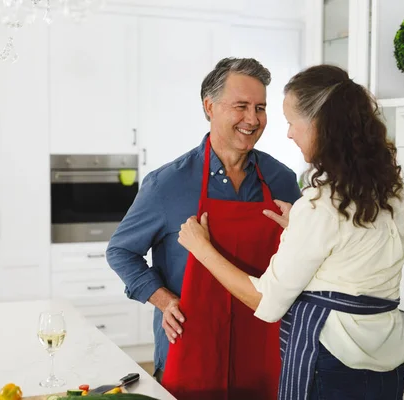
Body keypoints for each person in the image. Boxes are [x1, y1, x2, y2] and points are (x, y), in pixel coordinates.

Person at [178, 64, 404, 400]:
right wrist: (300, 227)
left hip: (333, 364)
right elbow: (354, 253)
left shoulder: (320, 203)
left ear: (320, 126)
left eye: (292, 122)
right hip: (387, 358)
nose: (288, 133)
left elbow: (267, 302)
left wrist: (202, 249)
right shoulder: (392, 190)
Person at [106, 57, 302, 399]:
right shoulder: (167, 183)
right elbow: (121, 251)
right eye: (241, 106)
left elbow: (302, 259)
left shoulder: (281, 180)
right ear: (209, 106)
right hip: (191, 346)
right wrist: (164, 300)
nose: (253, 119)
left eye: (260, 108)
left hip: (265, 348)